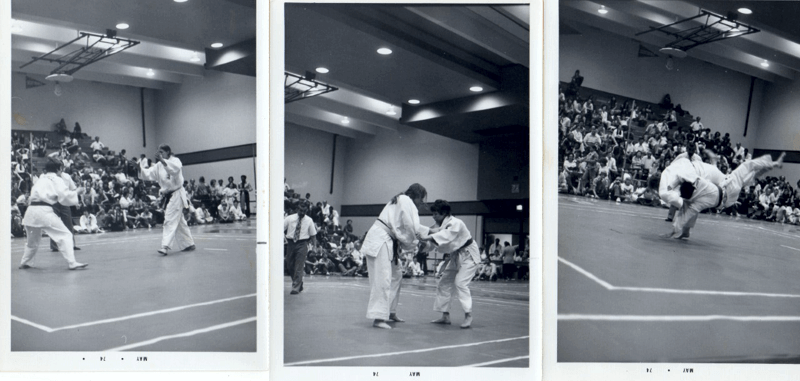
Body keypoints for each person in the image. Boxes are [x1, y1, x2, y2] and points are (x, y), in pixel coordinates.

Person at [668, 152, 785, 239]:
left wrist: (675, 229)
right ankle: (773, 164)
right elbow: (685, 177)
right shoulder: (699, 180)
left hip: (726, 197)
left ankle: (685, 231)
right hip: (727, 191)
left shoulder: (696, 198)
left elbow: (688, 211)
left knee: (750, 175)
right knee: (748, 166)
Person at [361, 183, 427, 329]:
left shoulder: (401, 201)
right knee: (382, 278)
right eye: (421, 199)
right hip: (381, 239)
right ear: (415, 195)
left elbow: (411, 228)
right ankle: (378, 317)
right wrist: (416, 240)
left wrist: (428, 233)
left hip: (387, 240)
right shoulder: (405, 200)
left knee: (396, 275)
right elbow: (411, 226)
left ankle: (389, 311)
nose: (422, 202)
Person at [19, 160, 88, 270]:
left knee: (32, 240)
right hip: (44, 212)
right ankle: (72, 262)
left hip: (31, 212)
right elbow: (64, 197)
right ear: (58, 169)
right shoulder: (57, 179)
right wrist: (77, 192)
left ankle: (25, 262)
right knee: (66, 235)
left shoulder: (40, 179)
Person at [424, 200, 481, 329]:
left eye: (436, 214)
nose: (433, 216)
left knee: (460, 283)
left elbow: (446, 236)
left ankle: (468, 315)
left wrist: (427, 236)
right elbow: (433, 243)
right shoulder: (440, 226)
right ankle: (445, 316)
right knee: (444, 282)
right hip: (456, 255)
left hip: (469, 255)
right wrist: (423, 242)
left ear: (444, 213)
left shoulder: (456, 223)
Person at [138, 144, 195, 255]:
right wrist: (139, 169)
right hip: (168, 195)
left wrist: (163, 161)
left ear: (168, 152)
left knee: (169, 219)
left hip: (177, 194)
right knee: (179, 221)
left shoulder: (175, 161)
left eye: (162, 152)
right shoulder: (159, 165)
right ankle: (188, 244)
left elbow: (175, 170)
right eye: (158, 152)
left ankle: (165, 246)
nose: (159, 154)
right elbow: (149, 174)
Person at [284, 204, 317, 294]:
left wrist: (314, 247)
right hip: (290, 243)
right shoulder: (289, 218)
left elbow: (313, 235)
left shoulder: (309, 220)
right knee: (289, 265)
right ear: (298, 209)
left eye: (304, 211)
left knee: (299, 266)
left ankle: (295, 287)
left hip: (302, 244)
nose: (302, 213)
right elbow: (280, 228)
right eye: (301, 211)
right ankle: (299, 283)